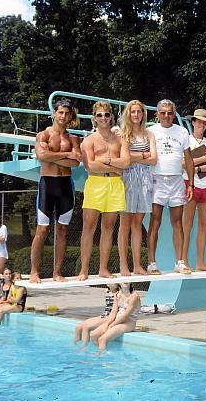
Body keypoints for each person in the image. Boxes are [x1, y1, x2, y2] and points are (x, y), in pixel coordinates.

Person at [30, 99, 82, 283]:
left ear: (70, 116)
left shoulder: (73, 139)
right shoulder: (43, 135)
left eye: (67, 113)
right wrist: (67, 154)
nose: (63, 116)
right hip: (47, 184)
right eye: (60, 112)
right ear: (54, 113)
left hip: (65, 185)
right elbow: (41, 155)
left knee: (62, 230)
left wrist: (52, 157)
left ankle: (57, 272)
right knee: (42, 229)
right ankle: (34, 271)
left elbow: (76, 162)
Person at [77, 101, 130, 280]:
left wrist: (106, 162)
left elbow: (126, 163)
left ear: (111, 117)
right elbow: (90, 166)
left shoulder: (120, 139)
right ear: (94, 118)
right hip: (95, 184)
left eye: (106, 115)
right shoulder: (89, 140)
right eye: (99, 115)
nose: (103, 118)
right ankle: (84, 269)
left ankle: (103, 268)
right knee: (89, 227)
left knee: (108, 227)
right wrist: (115, 167)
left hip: (115, 185)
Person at [146, 99, 194, 275]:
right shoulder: (150, 131)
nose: (166, 115)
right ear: (158, 114)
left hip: (176, 181)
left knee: (177, 221)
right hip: (156, 179)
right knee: (155, 221)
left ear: (174, 114)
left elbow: (188, 159)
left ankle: (180, 262)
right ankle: (151, 263)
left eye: (169, 112)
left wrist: (191, 183)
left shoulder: (182, 131)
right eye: (163, 112)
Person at [117, 100, 157, 276]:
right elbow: (124, 158)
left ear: (143, 114)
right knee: (125, 223)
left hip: (145, 179)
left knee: (137, 224)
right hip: (128, 178)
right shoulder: (122, 134)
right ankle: (123, 265)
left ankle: (137, 265)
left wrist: (134, 156)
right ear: (128, 114)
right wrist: (143, 155)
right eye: (133, 112)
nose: (136, 115)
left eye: (139, 112)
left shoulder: (149, 134)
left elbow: (154, 159)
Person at [181, 109, 206, 271]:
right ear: (193, 122)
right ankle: (183, 261)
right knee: (187, 225)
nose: (202, 125)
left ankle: (200, 262)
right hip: (190, 184)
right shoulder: (186, 141)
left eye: (205, 123)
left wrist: (196, 167)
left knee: (204, 225)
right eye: (199, 122)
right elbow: (183, 163)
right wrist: (204, 159)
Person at [91, 283, 141, 351]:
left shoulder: (134, 296)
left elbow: (125, 316)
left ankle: (101, 355)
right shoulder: (117, 295)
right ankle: (103, 351)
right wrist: (106, 324)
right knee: (93, 335)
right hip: (116, 321)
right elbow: (113, 313)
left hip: (128, 323)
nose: (125, 281)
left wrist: (111, 325)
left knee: (102, 339)